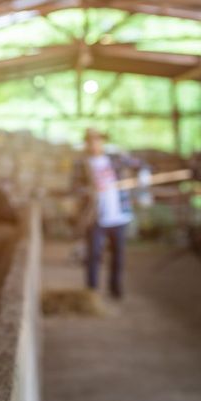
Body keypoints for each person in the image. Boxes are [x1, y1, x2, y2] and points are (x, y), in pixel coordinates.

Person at [72, 128, 143, 299]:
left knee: (118, 255)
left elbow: (141, 165)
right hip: (96, 217)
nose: (94, 144)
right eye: (91, 140)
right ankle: (91, 293)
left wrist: (141, 178)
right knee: (94, 254)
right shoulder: (82, 164)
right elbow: (74, 188)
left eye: (97, 140)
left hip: (118, 216)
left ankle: (115, 290)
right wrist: (89, 189)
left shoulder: (116, 159)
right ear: (86, 143)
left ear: (102, 141)